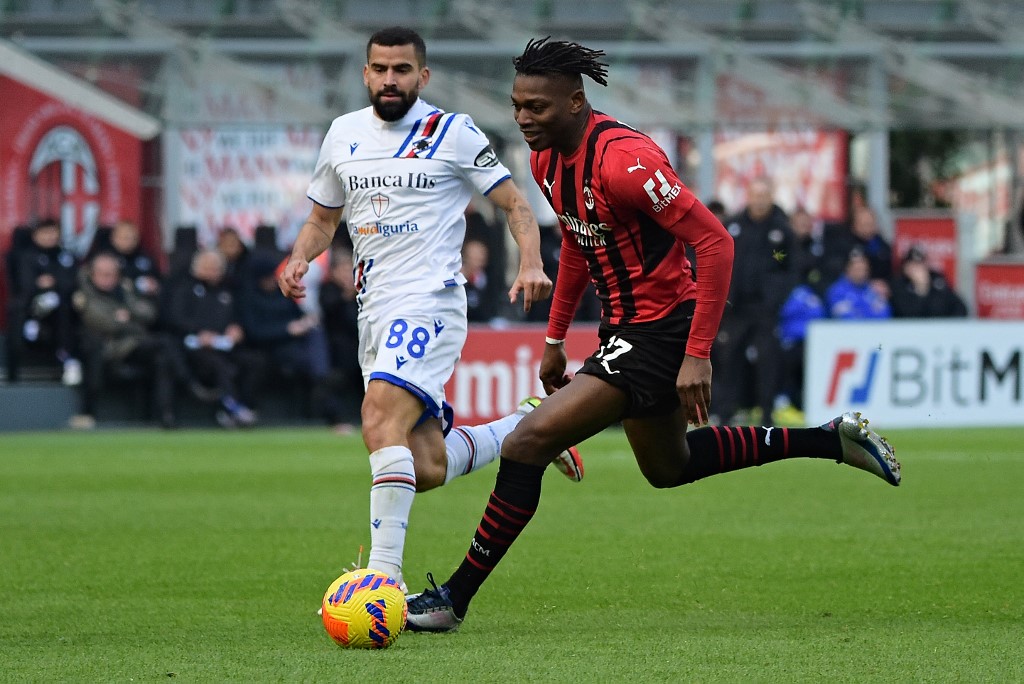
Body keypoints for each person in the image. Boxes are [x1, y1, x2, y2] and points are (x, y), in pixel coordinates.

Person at [405, 37, 901, 633]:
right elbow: (580, 249)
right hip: (625, 329)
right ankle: (830, 441)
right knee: (671, 466)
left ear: (575, 102)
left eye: (535, 106)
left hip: (663, 331)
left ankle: (452, 600)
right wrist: (556, 339)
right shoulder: (544, 161)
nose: (522, 118)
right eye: (516, 105)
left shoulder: (627, 162)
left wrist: (696, 354)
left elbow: (716, 242)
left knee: (526, 444)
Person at [278, 26, 584, 591]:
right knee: (425, 467)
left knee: (376, 416)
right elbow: (323, 220)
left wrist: (532, 263)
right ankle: (529, 424)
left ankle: (381, 583)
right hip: (373, 310)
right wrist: (299, 259)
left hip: (428, 302)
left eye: (401, 69)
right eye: (379, 69)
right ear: (365, 74)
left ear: (423, 75)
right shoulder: (343, 134)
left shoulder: (453, 132)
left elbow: (516, 205)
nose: (389, 79)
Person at [72, 252, 196, 428]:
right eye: (103, 274)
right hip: (110, 349)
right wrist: (132, 321)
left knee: (163, 359)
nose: (109, 279)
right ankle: (188, 381)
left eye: (113, 274)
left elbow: (149, 313)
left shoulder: (125, 290)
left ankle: (166, 415)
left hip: (135, 345)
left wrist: (128, 315)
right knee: (165, 342)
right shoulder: (84, 295)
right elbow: (107, 324)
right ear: (92, 274)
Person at [714, 176, 794, 425]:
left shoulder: (782, 230)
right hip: (736, 308)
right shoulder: (733, 226)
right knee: (729, 360)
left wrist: (775, 297)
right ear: (748, 197)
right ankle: (725, 412)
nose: (759, 201)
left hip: (765, 310)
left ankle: (767, 414)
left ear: (771, 197)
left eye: (764, 196)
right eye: (755, 195)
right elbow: (720, 260)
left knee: (767, 362)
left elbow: (790, 267)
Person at [164, 249, 265, 427]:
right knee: (219, 365)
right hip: (194, 348)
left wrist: (237, 328)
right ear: (196, 268)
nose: (212, 272)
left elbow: (241, 317)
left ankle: (248, 406)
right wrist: (199, 333)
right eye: (207, 268)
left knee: (255, 361)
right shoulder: (184, 288)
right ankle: (230, 409)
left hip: (225, 344)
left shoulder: (229, 289)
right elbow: (175, 318)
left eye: (216, 268)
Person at [6, 217, 81, 385]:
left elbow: (74, 281)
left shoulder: (66, 256)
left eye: (53, 232)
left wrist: (54, 282)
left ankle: (68, 359)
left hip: (62, 307)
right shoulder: (25, 256)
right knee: (20, 310)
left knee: (64, 305)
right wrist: (44, 284)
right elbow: (26, 284)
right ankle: (32, 325)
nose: (50, 236)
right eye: (45, 232)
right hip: (30, 304)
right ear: (35, 235)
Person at [890, 245, 967, 318]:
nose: (918, 269)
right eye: (914, 265)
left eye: (921, 264)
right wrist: (920, 288)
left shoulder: (938, 280)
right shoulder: (899, 284)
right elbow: (907, 313)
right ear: (906, 268)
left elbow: (960, 307)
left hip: (939, 328)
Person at [825, 246, 892, 321]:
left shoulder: (874, 290)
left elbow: (884, 314)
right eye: (857, 269)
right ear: (848, 269)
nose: (861, 273)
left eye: (864, 269)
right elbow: (844, 317)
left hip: (873, 331)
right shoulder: (836, 291)